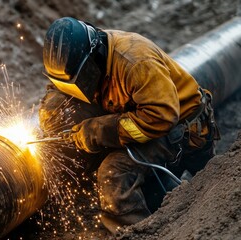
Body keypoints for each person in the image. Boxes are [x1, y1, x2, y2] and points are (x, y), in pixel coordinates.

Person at [38, 17, 220, 234]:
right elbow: (60, 92)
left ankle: (140, 233)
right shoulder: (82, 59)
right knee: (59, 110)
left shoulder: (135, 62)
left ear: (93, 59)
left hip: (179, 127)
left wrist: (98, 131)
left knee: (114, 173)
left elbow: (162, 116)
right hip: (134, 112)